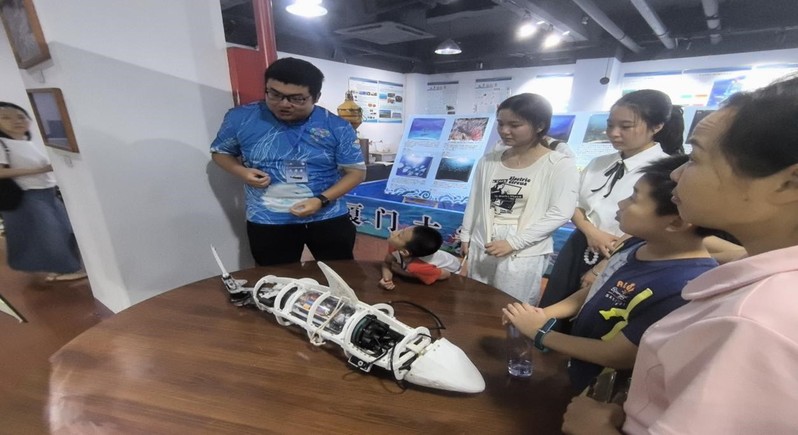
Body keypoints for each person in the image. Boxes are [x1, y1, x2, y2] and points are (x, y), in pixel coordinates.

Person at [562, 75, 798, 434]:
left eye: (697, 158)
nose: (676, 173)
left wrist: (597, 429)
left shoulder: (754, 321)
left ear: (788, 183)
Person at [503, 155, 719, 392]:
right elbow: (598, 290)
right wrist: (544, 314)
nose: (622, 204)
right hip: (581, 374)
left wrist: (541, 333)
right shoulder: (636, 244)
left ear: (675, 223)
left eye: (634, 197)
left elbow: (618, 355)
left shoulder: (686, 286)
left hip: (608, 394)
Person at [210, 57, 366, 266]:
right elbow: (220, 152)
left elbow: (356, 172)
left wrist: (320, 200)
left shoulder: (337, 126)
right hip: (268, 219)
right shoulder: (240, 118)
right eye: (274, 94)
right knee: (276, 279)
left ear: (316, 97)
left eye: (297, 99)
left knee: (340, 274)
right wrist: (242, 172)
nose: (284, 104)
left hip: (327, 215)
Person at [540, 90, 684, 312]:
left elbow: (656, 226)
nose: (614, 133)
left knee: (593, 315)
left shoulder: (666, 170)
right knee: (553, 306)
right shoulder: (598, 163)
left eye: (625, 127)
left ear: (656, 126)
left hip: (625, 253)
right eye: (610, 125)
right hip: (580, 244)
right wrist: (591, 232)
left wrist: (604, 265)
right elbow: (573, 203)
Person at [460, 93, 579, 304]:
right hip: (484, 240)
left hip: (523, 248)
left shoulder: (559, 164)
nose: (505, 131)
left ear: (539, 125)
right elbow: (475, 199)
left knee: (512, 305)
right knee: (475, 301)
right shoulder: (489, 161)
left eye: (515, 125)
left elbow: (561, 212)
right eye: (501, 124)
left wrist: (513, 242)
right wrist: (466, 234)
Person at [0, 102, 85, 282]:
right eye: (6, 117)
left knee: (60, 230)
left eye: (21, 116)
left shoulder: (26, 142)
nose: (16, 121)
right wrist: (40, 170)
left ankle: (65, 267)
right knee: (51, 233)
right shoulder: (2, 144)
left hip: (46, 192)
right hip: (27, 195)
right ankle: (64, 269)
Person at [379, 225, 461, 290]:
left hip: (451, 270)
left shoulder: (417, 266)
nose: (394, 232)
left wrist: (402, 272)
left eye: (399, 235)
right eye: (402, 230)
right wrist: (387, 280)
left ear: (404, 252)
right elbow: (387, 263)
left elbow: (447, 275)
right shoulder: (396, 246)